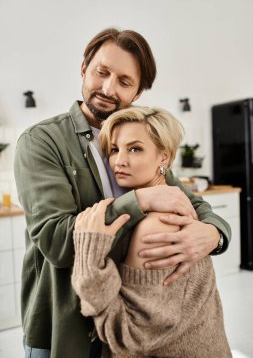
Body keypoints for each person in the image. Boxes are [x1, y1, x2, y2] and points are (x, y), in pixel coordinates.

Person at [14, 28, 231, 358]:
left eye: (125, 82)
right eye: (102, 72)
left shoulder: (140, 136)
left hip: (122, 322)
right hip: (64, 329)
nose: (108, 88)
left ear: (138, 92)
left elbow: (191, 202)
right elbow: (55, 242)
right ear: (84, 68)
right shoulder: (41, 141)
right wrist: (140, 200)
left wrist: (215, 234)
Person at [72, 106, 232, 357]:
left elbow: (129, 338)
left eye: (135, 148)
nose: (119, 161)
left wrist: (89, 259)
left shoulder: (156, 225)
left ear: (163, 157)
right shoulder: (176, 204)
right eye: (114, 149)